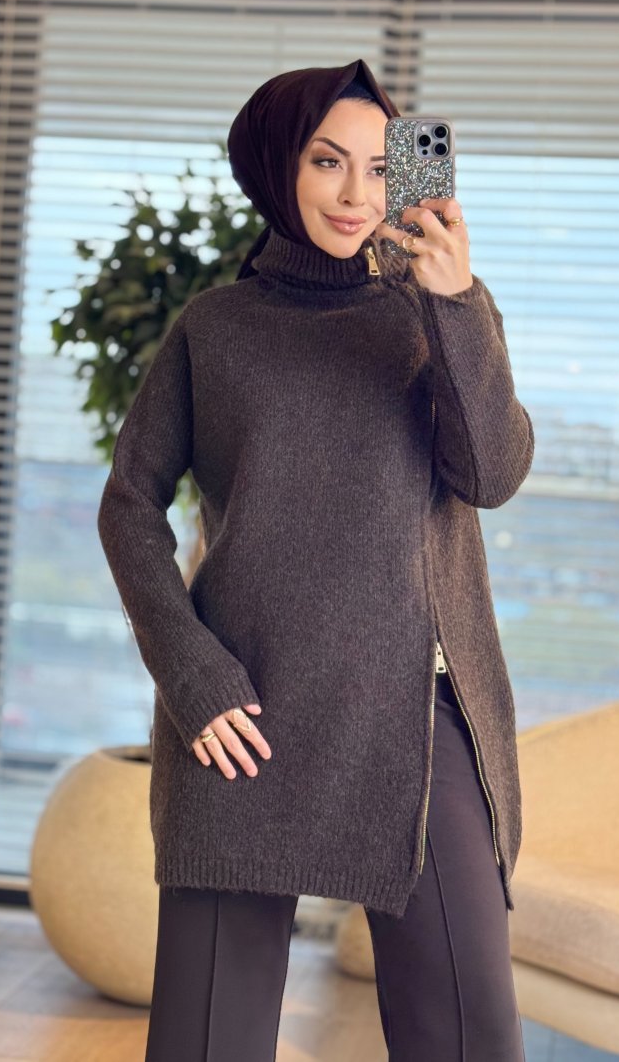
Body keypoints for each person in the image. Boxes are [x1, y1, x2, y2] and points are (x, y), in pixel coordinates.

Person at [97, 58, 534, 1060]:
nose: (356, 193)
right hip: (242, 718)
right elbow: (129, 504)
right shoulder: (214, 329)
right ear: (276, 166)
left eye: (382, 168)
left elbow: (492, 474)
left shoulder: (439, 311)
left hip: (415, 716)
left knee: (470, 1035)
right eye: (327, 161)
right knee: (208, 1042)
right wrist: (193, 677)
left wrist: (454, 301)